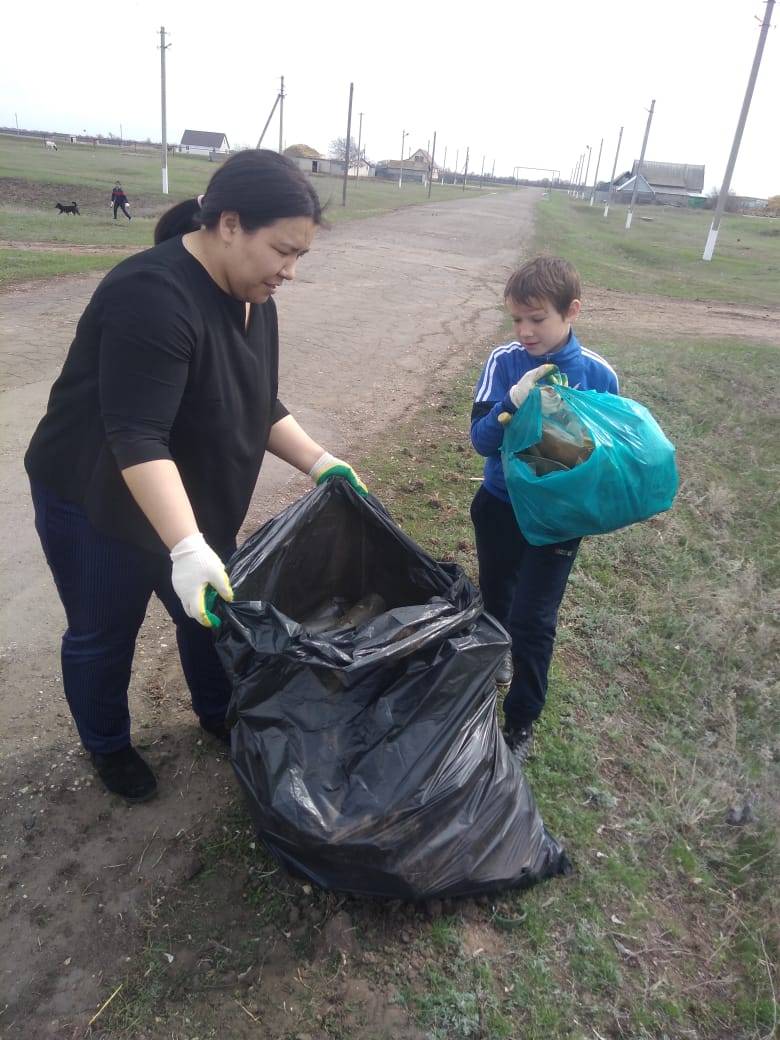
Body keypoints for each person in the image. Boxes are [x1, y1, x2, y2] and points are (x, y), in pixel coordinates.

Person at [25, 149, 367, 803]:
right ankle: (108, 746)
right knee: (104, 633)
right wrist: (185, 546)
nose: (290, 272)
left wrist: (321, 462)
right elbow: (138, 435)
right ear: (231, 224)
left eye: (300, 256)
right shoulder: (151, 295)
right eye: (283, 251)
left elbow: (254, 399)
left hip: (185, 497)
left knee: (211, 619)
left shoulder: (250, 292)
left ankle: (219, 716)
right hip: (96, 499)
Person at [469, 256, 619, 761]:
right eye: (517, 319)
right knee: (496, 595)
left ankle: (522, 719)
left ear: (571, 311)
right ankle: (495, 660)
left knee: (535, 619)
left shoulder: (597, 374)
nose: (525, 331)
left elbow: (604, 457)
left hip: (557, 521)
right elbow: (481, 441)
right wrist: (510, 404)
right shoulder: (505, 361)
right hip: (499, 505)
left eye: (537, 319)